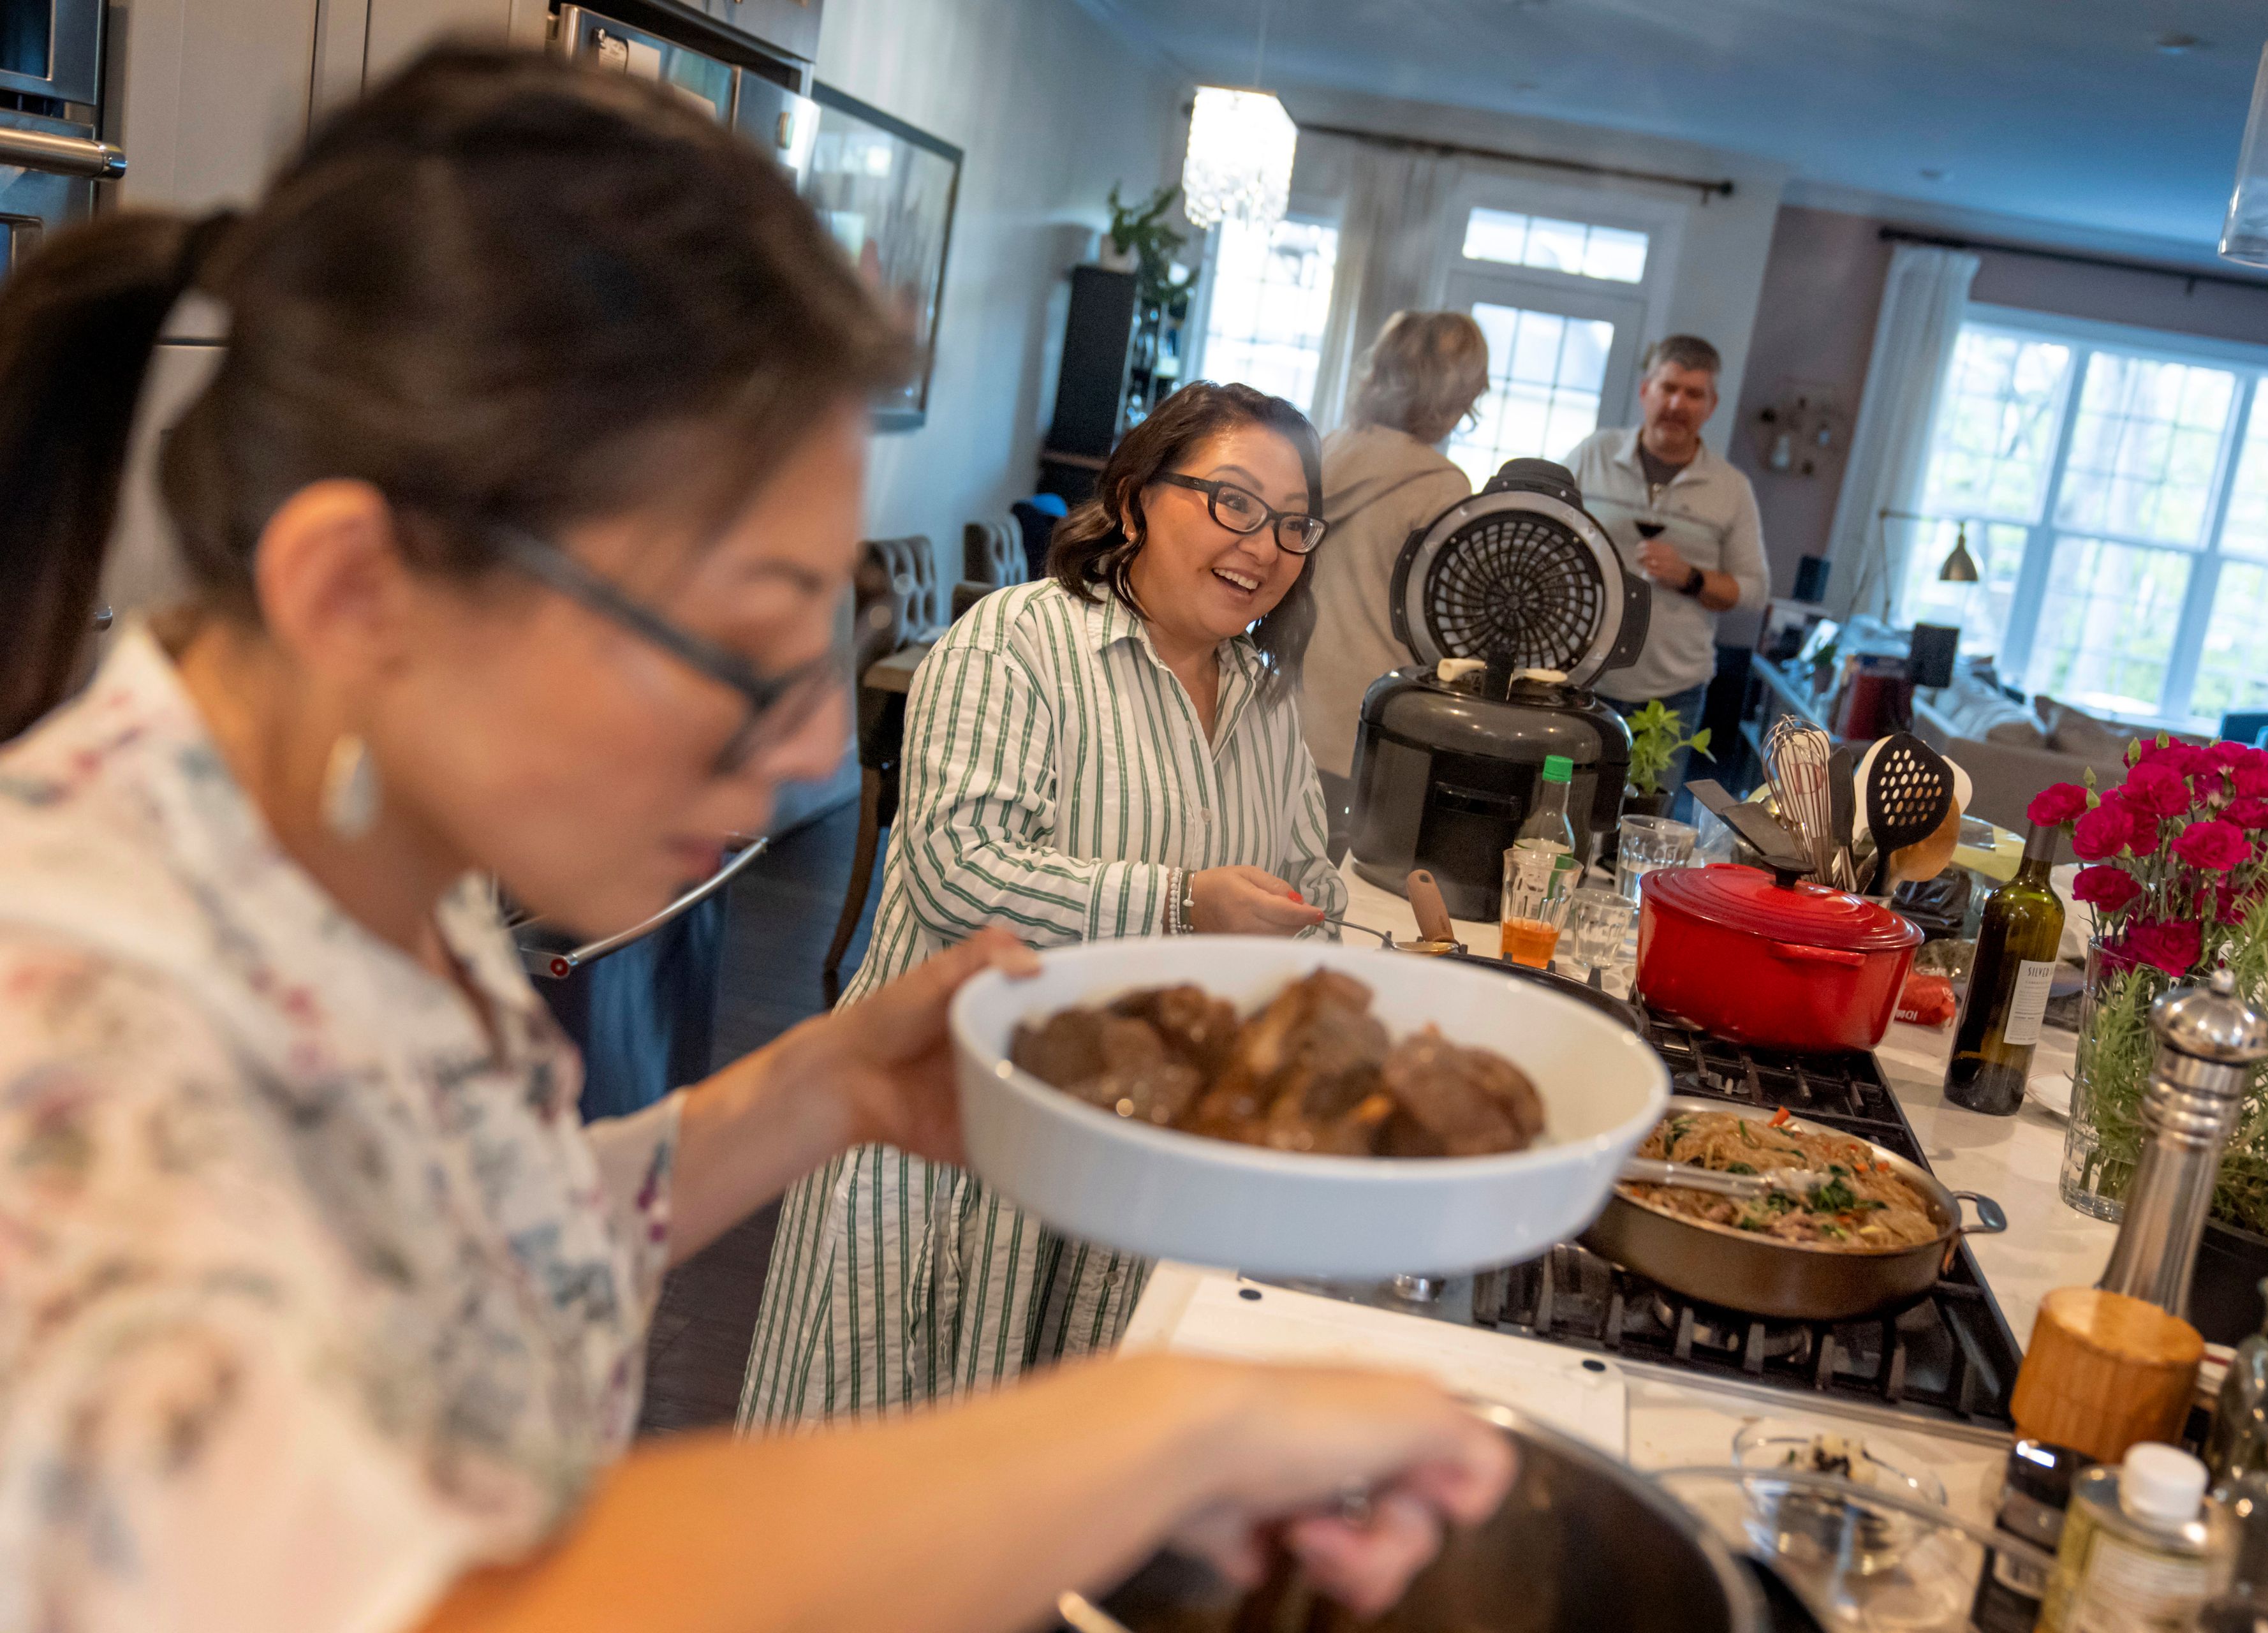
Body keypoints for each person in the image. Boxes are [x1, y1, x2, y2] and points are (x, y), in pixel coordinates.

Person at [0, 48, 1512, 1633]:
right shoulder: (75, 1025)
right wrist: (1154, 1426)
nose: (809, 750)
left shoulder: (343, 860)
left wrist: (815, 1086)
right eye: (741, 643)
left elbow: (452, 1247)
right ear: (357, 592)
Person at [740, 381, 1347, 1426]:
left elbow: (1306, 870)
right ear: (1137, 497)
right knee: (868, 1490)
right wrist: (1183, 904)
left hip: (1130, 1157)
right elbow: (954, 867)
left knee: (1032, 1499)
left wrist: (1315, 913)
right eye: (1233, 502)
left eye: (1296, 524)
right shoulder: (1018, 643)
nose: (1266, 545)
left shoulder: (1264, 698)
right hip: (952, 1136)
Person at [1299, 311, 1488, 846]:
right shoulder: (1443, 489)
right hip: (1372, 728)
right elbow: (1453, 637)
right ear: (1454, 396)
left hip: (1288, 716)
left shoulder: (1323, 452)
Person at [1562, 334, 1769, 800]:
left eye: (1693, 394)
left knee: (1641, 825)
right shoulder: (1593, 454)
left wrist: (1692, 578)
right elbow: (1545, 533)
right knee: (1564, 807)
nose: (1678, 404)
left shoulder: (1731, 488)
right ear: (1645, 390)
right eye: (1669, 387)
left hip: (1671, 694)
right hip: (1581, 677)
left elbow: (1755, 591)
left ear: (1711, 405)